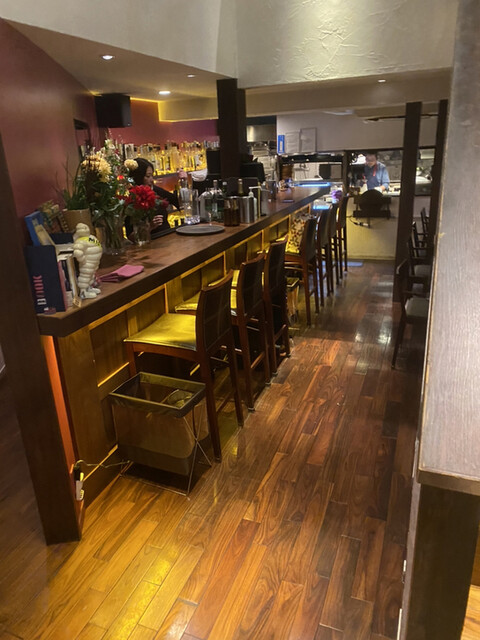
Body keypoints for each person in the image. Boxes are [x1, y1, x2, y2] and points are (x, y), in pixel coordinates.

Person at [125, 158, 180, 237]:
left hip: (168, 237)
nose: (152, 180)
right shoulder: (131, 199)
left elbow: (178, 202)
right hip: (151, 242)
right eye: (148, 176)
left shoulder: (156, 190)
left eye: (152, 176)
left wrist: (183, 182)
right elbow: (130, 236)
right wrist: (149, 227)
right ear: (138, 177)